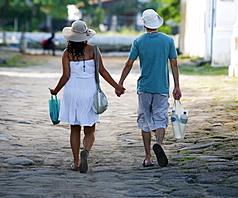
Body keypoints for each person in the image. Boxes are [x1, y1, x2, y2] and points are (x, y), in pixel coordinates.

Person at [49, 20, 125, 173]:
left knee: (74, 129)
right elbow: (102, 72)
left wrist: (55, 90)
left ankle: (76, 162)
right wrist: (117, 86)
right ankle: (86, 151)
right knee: (90, 131)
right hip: (89, 92)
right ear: (86, 36)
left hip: (72, 92)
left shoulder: (67, 53)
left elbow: (65, 76)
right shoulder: (94, 50)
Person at [115, 9, 181, 168]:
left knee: (145, 120)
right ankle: (158, 143)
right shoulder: (168, 40)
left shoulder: (138, 41)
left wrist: (120, 83)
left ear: (144, 24)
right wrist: (177, 86)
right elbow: (174, 64)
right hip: (162, 87)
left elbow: (128, 64)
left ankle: (148, 157)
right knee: (160, 118)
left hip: (144, 87)